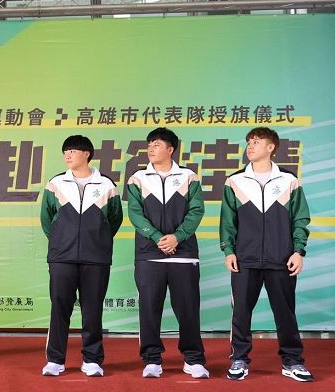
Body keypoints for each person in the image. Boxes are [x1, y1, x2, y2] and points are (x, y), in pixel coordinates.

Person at [220, 127, 313, 382]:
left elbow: (300, 218)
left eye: (256, 141)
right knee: (241, 313)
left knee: (285, 313)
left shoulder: (288, 180)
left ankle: (292, 361)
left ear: (271, 147)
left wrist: (298, 251)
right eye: (249, 142)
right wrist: (228, 250)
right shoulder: (235, 181)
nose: (250, 146)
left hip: (281, 258)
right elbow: (227, 221)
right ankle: (239, 359)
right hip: (245, 259)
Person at [126, 127, 209, 379]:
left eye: (157, 144)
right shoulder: (138, 178)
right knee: (149, 309)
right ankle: (152, 360)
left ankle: (193, 359)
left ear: (170, 149)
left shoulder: (188, 177)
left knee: (188, 309)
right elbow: (135, 214)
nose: (151, 149)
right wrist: (156, 238)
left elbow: (196, 211)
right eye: (149, 144)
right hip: (149, 255)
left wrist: (177, 237)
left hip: (184, 254)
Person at [40, 135, 123, 378]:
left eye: (73, 150)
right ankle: (55, 360)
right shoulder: (56, 183)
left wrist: (97, 240)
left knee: (93, 310)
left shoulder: (106, 185)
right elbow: (47, 219)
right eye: (65, 151)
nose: (67, 155)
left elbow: (114, 219)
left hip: (95, 258)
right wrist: (61, 240)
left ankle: (92, 360)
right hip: (62, 257)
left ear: (87, 154)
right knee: (59, 309)